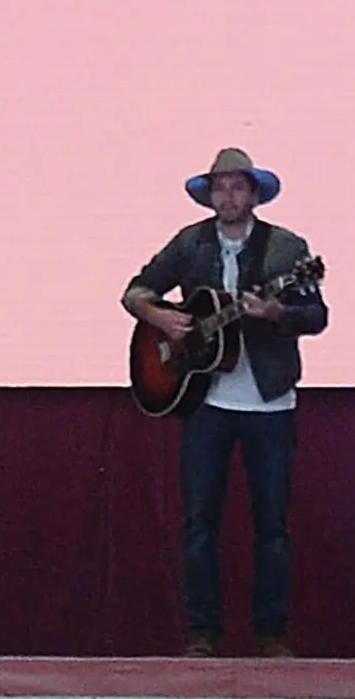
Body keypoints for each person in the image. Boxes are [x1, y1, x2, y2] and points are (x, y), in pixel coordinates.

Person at [124, 147, 329, 656]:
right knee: (199, 523)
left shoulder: (286, 249)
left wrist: (277, 311)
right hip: (206, 405)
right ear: (209, 195)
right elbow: (134, 292)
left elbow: (317, 315)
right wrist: (163, 319)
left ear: (254, 194)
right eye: (220, 188)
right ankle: (202, 634)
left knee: (273, 525)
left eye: (238, 187)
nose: (228, 196)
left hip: (269, 402)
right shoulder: (190, 244)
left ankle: (271, 634)